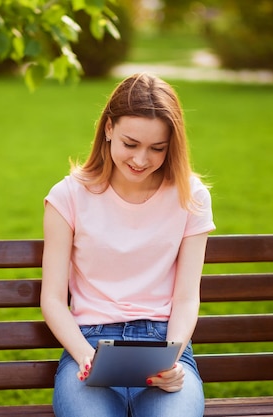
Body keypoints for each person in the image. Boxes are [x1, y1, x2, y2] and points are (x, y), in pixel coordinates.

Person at [41, 73, 215, 417]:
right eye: (130, 144)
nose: (141, 159)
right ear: (108, 129)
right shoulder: (68, 196)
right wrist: (86, 357)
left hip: (164, 344)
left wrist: (173, 359)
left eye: (157, 148)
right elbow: (52, 299)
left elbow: (185, 296)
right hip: (88, 344)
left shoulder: (191, 196)